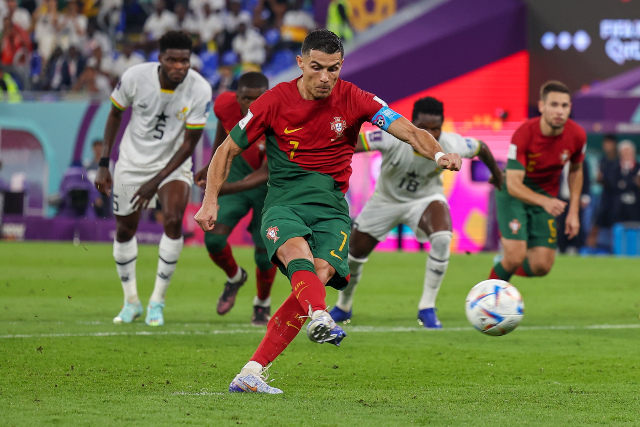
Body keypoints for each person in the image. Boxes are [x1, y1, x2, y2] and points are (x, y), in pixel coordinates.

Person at [194, 29, 461, 394]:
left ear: (341, 66)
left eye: (332, 69)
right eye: (316, 68)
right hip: (285, 201)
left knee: (316, 276)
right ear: (301, 63)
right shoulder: (274, 101)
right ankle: (320, 315)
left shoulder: (355, 98)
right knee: (296, 254)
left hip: (332, 207)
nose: (324, 78)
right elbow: (226, 150)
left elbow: (410, 131)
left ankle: (251, 371)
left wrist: (439, 154)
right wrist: (211, 200)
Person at [329, 96, 503, 328]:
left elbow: (482, 148)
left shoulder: (452, 144)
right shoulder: (392, 137)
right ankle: (343, 306)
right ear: (412, 124)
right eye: (424, 128)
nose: (431, 134)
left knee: (442, 238)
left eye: (436, 129)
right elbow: (352, 144)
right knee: (353, 257)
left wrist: (498, 175)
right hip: (385, 201)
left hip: (425, 199)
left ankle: (427, 307)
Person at [94, 30, 212, 327]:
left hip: (173, 164)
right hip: (132, 163)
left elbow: (189, 144)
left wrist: (156, 181)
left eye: (184, 60)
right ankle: (131, 301)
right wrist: (104, 164)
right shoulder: (135, 77)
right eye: (172, 60)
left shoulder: (200, 89)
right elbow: (114, 115)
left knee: (173, 220)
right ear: (160, 59)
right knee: (125, 230)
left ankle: (157, 302)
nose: (179, 67)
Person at [193, 71, 277, 326]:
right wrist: (210, 166)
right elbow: (224, 130)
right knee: (214, 237)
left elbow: (266, 171)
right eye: (245, 98)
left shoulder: (279, 118)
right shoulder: (224, 104)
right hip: (237, 168)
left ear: (267, 96)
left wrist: (225, 189)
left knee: (265, 253)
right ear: (237, 96)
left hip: (269, 186)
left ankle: (262, 304)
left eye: (257, 98)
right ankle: (234, 276)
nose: (250, 104)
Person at [488, 80, 586, 282]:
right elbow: (514, 184)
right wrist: (546, 202)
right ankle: (486, 300)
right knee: (516, 256)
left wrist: (574, 212)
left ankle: (503, 264)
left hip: (545, 198)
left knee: (542, 266)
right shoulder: (524, 134)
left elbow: (576, 170)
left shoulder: (577, 135)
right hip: (513, 194)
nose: (559, 111)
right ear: (542, 106)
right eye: (554, 105)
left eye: (564, 105)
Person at [585, 134, 618, 253]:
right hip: (604, 198)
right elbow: (599, 178)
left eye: (608, 143)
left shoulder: (618, 161)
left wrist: (602, 180)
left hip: (615, 199)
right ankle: (590, 250)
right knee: (595, 225)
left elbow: (615, 181)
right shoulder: (603, 160)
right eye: (605, 143)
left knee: (614, 227)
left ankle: (616, 250)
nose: (606, 146)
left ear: (614, 144)